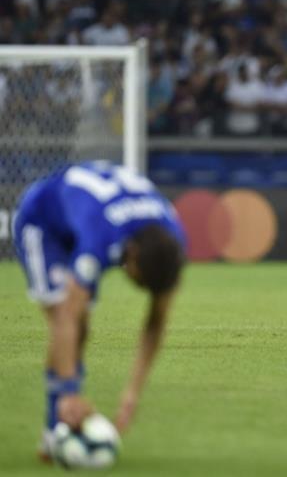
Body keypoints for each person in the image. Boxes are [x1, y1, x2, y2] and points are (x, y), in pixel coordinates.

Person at [13, 161, 186, 461]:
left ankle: (61, 427)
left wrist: (132, 393)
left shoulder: (173, 239)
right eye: (139, 281)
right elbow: (66, 316)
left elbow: (156, 322)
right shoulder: (99, 236)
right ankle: (56, 428)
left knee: (80, 329)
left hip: (85, 219)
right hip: (43, 222)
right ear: (130, 254)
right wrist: (69, 391)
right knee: (68, 318)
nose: (138, 287)